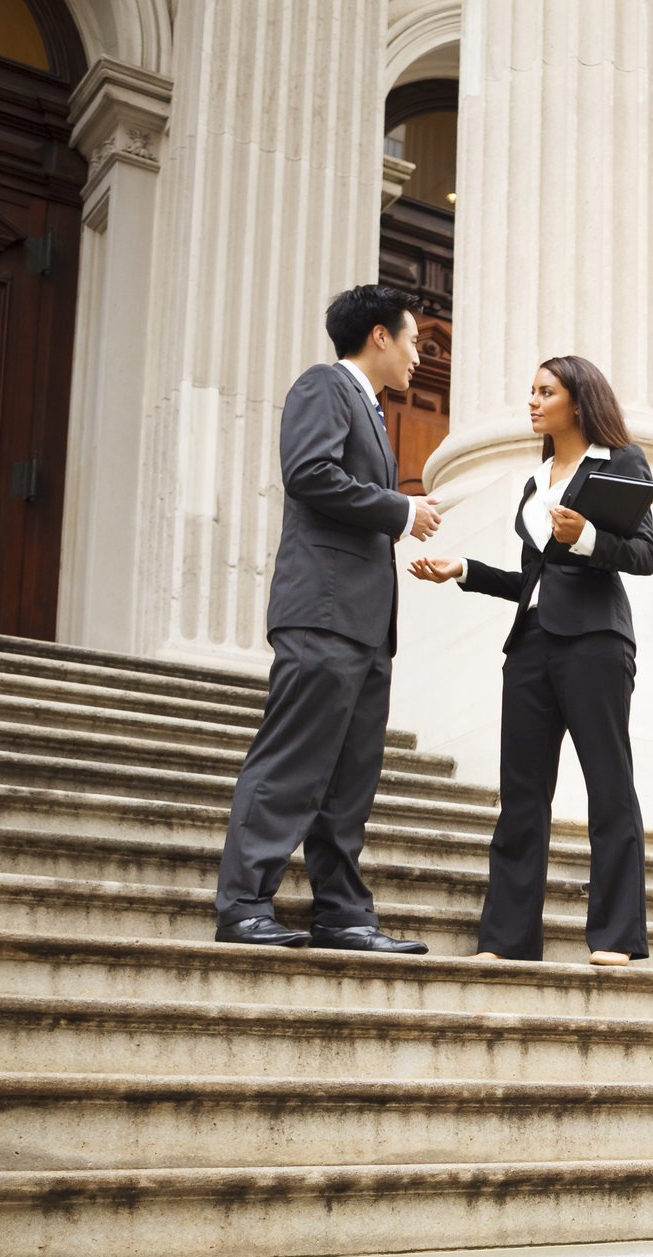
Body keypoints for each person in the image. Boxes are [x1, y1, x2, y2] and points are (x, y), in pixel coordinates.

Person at [408, 355, 653, 965]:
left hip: (596, 642)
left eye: (546, 391)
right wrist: (463, 568)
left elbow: (645, 554)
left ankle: (616, 938)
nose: (533, 401)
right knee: (521, 796)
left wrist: (588, 537)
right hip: (530, 644)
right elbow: (531, 578)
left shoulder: (619, 462)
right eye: (531, 391)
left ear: (577, 401)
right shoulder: (535, 480)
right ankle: (506, 939)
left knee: (609, 787)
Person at [214, 285, 441, 952]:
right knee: (292, 762)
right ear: (378, 335)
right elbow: (309, 472)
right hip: (323, 611)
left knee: (348, 780)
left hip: (366, 626)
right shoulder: (324, 386)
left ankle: (342, 914)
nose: (418, 357)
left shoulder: (369, 410)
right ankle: (244, 906)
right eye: (412, 340)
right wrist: (401, 511)